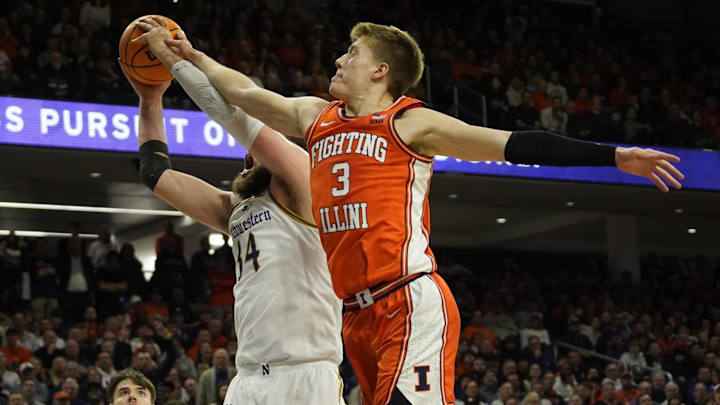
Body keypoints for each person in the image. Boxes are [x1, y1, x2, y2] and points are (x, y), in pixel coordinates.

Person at [137, 18, 684, 404]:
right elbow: (245, 94)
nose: (338, 59)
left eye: (351, 54)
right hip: (356, 315)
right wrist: (190, 56)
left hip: (408, 297)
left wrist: (613, 155)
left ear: (381, 71)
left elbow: (514, 143)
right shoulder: (316, 117)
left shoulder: (411, 124)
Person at [118, 29, 344, 404]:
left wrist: (176, 59)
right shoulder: (237, 209)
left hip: (305, 374)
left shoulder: (304, 180)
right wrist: (150, 96)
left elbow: (232, 114)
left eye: (254, 151)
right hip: (249, 378)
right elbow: (156, 175)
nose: (244, 158)